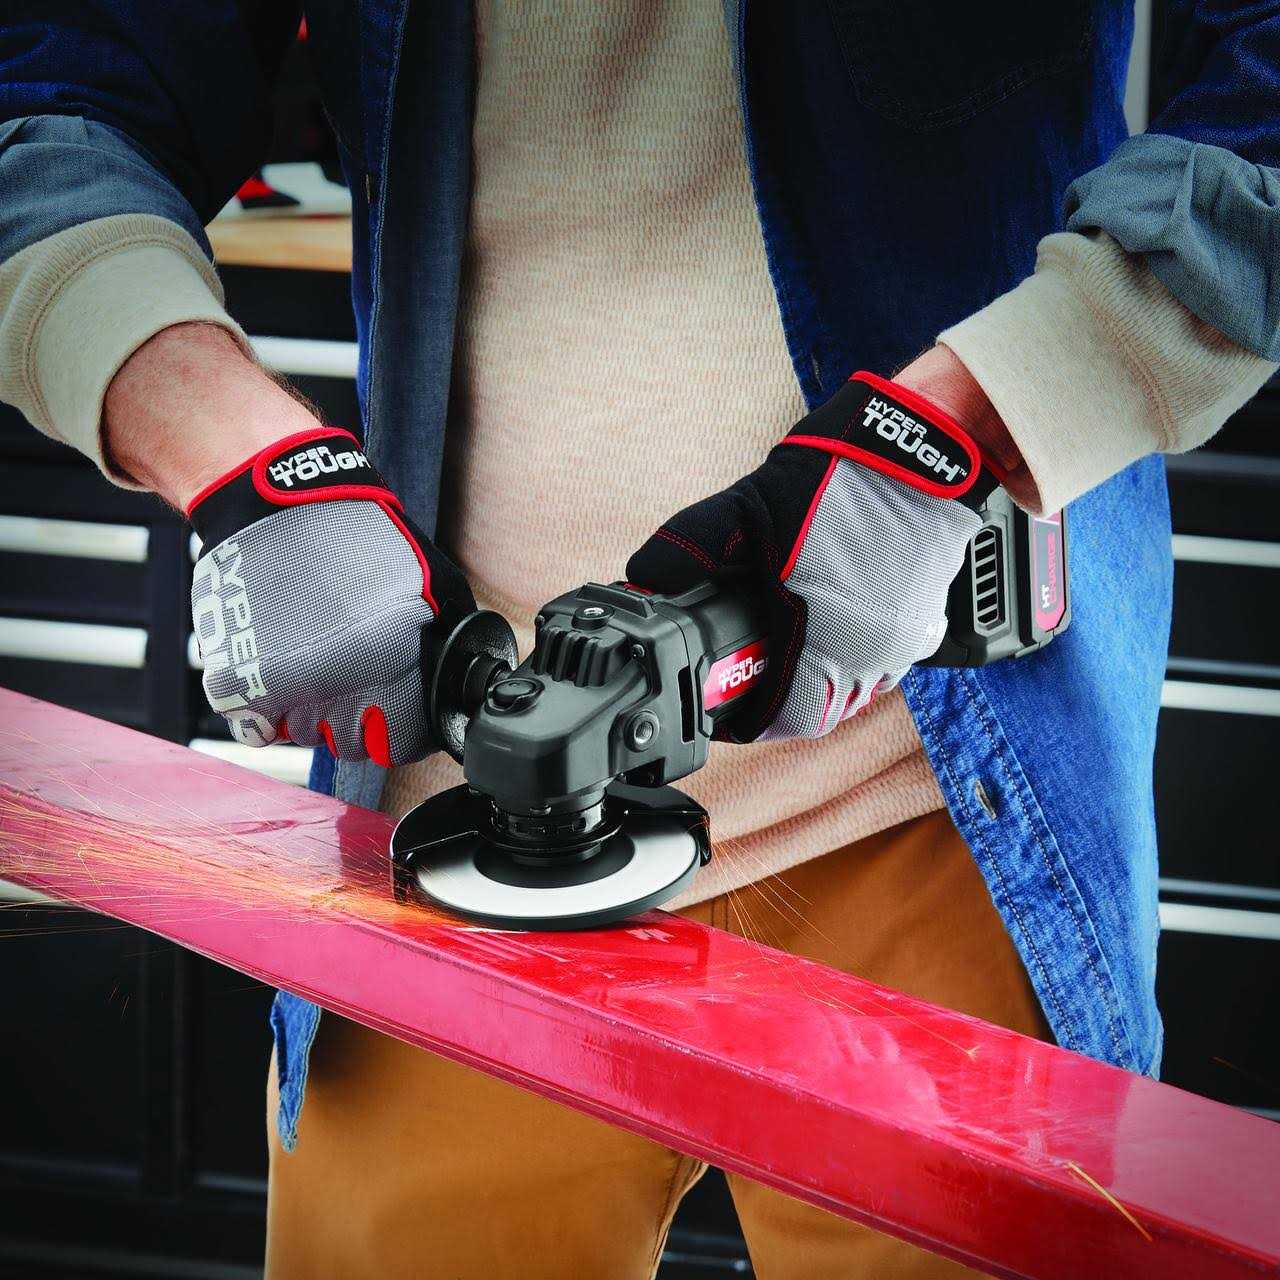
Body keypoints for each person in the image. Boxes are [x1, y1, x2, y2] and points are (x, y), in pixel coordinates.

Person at [3, 3, 1277, 1276]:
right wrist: (243, 462)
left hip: (938, 797)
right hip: (447, 844)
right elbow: (56, 105)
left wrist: (967, 432)